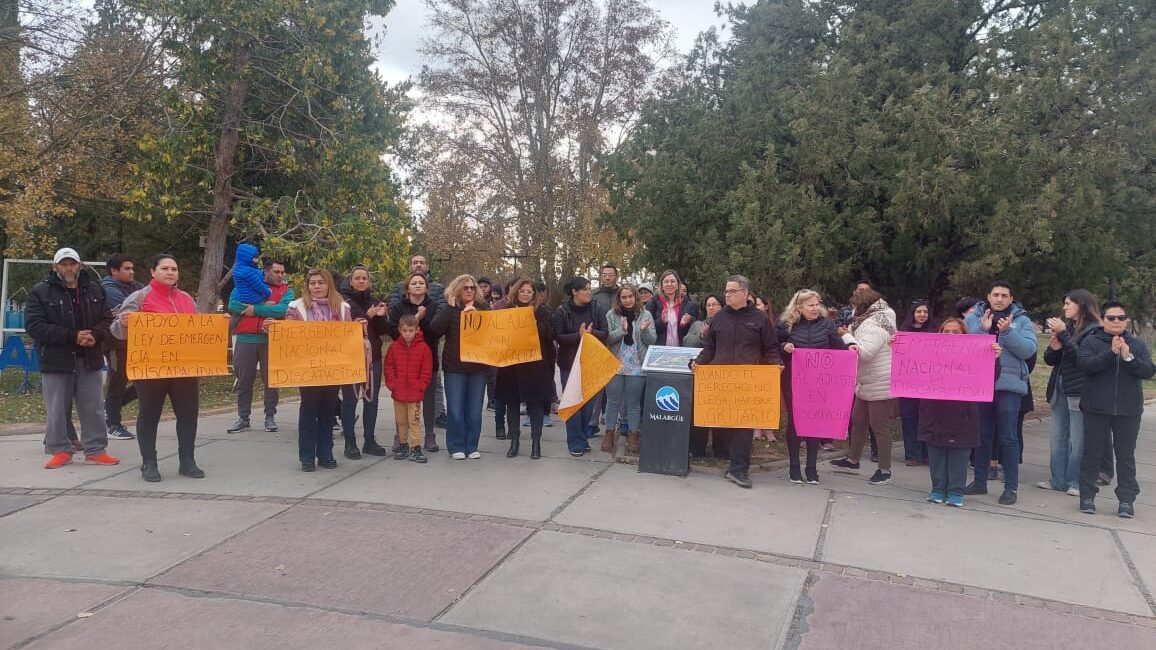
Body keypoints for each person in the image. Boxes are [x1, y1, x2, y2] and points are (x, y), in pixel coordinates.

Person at [111, 254, 202, 481]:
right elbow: (115, 330)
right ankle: (149, 463)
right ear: (153, 272)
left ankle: (187, 461)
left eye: (174, 268)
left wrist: (217, 326)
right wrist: (124, 324)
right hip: (151, 369)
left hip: (184, 370)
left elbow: (200, 328)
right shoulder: (140, 297)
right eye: (165, 268)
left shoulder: (186, 299)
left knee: (188, 414)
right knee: (149, 415)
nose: (170, 272)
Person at [27, 247, 119, 470]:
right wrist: (72, 336)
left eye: (72, 263)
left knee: (94, 407)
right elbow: (34, 326)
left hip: (90, 358)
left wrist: (95, 336)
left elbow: (108, 320)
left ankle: (96, 450)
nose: (68, 268)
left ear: (79, 265)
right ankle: (60, 449)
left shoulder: (94, 289)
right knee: (57, 408)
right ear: (55, 266)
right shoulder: (40, 291)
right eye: (63, 264)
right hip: (56, 361)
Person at [691, 275, 781, 488]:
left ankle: (739, 469)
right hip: (722, 379)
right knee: (724, 420)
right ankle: (725, 456)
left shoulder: (759, 318)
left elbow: (770, 347)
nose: (727, 295)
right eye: (726, 291)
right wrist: (698, 362)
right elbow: (710, 347)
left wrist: (776, 363)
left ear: (744, 293)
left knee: (743, 424)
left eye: (731, 291)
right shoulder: (719, 317)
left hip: (747, 381)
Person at [1076, 302, 1155, 518]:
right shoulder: (1091, 341)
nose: (1117, 321)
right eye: (1111, 318)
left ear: (1126, 321)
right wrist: (1111, 353)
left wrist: (1128, 358)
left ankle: (1127, 500)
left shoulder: (1136, 345)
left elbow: (1149, 370)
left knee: (1126, 457)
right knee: (1092, 454)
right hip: (1096, 408)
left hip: (1128, 411)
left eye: (1121, 318)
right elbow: (1085, 365)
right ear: (1102, 320)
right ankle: (1087, 496)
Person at [963, 281, 1037, 505]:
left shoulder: (1022, 321)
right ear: (988, 296)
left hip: (1008, 386)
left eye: (1004, 295)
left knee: (1008, 437)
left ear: (1011, 298)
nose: (999, 299)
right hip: (981, 385)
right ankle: (979, 481)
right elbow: (963, 347)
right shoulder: (973, 319)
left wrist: (1006, 333)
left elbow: (1028, 350)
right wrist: (983, 331)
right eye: (995, 294)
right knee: (982, 436)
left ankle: (1011, 487)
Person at [920, 318, 999, 507]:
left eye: (956, 332)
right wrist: (896, 349)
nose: (950, 335)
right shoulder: (929, 354)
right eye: (946, 331)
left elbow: (989, 379)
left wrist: (994, 359)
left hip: (962, 414)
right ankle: (938, 489)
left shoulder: (974, 356)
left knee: (958, 455)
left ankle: (956, 491)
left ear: (964, 335)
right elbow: (911, 367)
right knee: (936, 451)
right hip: (934, 412)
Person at [779, 290, 855, 485]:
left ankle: (811, 467)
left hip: (820, 382)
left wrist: (850, 349)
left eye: (817, 304)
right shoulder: (786, 325)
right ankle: (794, 467)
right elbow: (774, 346)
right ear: (799, 307)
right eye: (811, 305)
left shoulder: (827, 324)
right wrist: (784, 347)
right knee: (796, 422)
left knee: (814, 421)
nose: (815, 308)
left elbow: (837, 346)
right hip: (793, 380)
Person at [285, 269, 357, 472]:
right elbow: (287, 333)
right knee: (309, 410)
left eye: (320, 283)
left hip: (333, 368)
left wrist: (358, 329)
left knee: (327, 411)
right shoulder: (296, 307)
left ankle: (326, 453)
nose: (316, 286)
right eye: (312, 283)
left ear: (329, 285)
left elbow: (348, 336)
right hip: (308, 368)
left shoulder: (342, 308)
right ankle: (307, 456)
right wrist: (272, 328)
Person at [830, 286, 897, 485]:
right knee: (858, 420)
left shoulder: (874, 324)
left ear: (863, 305)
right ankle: (853, 459)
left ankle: (885, 470)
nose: (853, 309)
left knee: (879, 426)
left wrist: (846, 336)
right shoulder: (877, 317)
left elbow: (865, 351)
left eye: (855, 305)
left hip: (879, 382)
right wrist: (849, 331)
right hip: (868, 380)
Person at [226, 257, 292, 434]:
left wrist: (254, 309)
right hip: (245, 339)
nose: (280, 276)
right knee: (244, 380)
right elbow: (233, 304)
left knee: (271, 381)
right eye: (276, 272)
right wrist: (264, 305)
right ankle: (243, 418)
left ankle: (270, 416)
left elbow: (283, 310)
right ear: (266, 271)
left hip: (272, 341)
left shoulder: (286, 290)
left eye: (282, 272)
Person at [431, 275, 490, 460]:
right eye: (466, 288)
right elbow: (435, 330)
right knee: (455, 408)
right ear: (457, 289)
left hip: (478, 367)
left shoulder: (483, 308)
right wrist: (449, 308)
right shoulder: (449, 308)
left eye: (473, 287)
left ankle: (472, 445)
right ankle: (456, 445)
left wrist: (479, 317)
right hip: (454, 367)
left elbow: (493, 334)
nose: (470, 290)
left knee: (474, 409)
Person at [496, 277, 556, 459]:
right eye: (522, 291)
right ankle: (514, 441)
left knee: (535, 404)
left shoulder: (542, 311)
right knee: (512, 403)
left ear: (534, 294)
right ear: (516, 292)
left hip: (535, 366)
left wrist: (534, 323)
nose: (525, 294)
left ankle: (536, 443)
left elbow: (550, 335)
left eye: (529, 292)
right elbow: (498, 335)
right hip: (512, 365)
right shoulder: (507, 310)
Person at [387, 254, 447, 427]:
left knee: (432, 387)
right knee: (403, 396)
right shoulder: (398, 293)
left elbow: (437, 325)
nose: (419, 265)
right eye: (415, 262)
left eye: (422, 262)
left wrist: (424, 318)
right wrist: (415, 319)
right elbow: (395, 323)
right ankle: (403, 435)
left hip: (428, 351)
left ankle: (432, 427)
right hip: (403, 354)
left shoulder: (437, 293)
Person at [554, 276, 609, 456]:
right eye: (584, 289)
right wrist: (578, 336)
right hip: (569, 364)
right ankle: (575, 442)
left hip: (591, 362)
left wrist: (590, 335)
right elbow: (558, 337)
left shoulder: (596, 308)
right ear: (574, 292)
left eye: (589, 288)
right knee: (573, 403)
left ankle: (583, 437)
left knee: (588, 405)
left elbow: (605, 333)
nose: (588, 292)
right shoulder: (563, 311)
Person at [339, 266, 389, 458]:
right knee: (350, 401)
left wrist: (382, 316)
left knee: (371, 400)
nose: (361, 281)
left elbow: (384, 331)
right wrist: (367, 316)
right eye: (357, 278)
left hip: (372, 358)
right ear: (351, 281)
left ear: (369, 282)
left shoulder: (376, 301)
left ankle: (369, 440)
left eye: (364, 278)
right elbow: (344, 329)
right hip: (350, 358)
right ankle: (350, 443)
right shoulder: (343, 303)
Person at [604, 284, 656, 456]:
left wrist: (645, 330)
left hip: (637, 366)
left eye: (630, 297)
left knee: (633, 403)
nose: (627, 300)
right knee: (613, 402)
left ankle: (633, 434)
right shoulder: (611, 315)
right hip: (615, 365)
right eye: (624, 297)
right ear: (619, 299)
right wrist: (622, 330)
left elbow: (652, 340)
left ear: (636, 297)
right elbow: (608, 339)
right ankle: (609, 434)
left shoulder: (645, 314)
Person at [100, 253, 144, 440]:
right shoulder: (108, 289)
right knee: (118, 382)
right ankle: (113, 424)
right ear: (114, 270)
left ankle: (107, 409)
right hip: (116, 344)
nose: (131, 272)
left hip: (137, 344)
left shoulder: (137, 287)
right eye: (126, 268)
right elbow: (131, 312)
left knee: (144, 383)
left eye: (132, 268)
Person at [684, 294, 730, 459]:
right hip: (702, 372)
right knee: (700, 410)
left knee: (719, 412)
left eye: (715, 304)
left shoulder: (728, 323)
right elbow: (687, 341)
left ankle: (721, 450)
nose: (711, 308)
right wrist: (702, 336)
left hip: (721, 372)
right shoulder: (697, 324)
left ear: (722, 306)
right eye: (708, 305)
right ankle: (697, 449)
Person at [384, 314, 433, 463]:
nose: (407, 334)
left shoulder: (424, 348)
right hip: (398, 392)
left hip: (415, 394)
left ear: (417, 330)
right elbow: (389, 366)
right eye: (404, 330)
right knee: (401, 421)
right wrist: (393, 384)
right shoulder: (393, 347)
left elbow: (426, 370)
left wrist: (421, 386)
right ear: (399, 330)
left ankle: (416, 447)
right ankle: (403, 445)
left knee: (414, 420)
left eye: (411, 330)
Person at [899, 300, 935, 466]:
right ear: (912, 313)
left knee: (927, 418)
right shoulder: (903, 333)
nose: (922, 315)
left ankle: (927, 454)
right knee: (909, 417)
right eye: (919, 312)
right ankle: (912, 454)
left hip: (929, 383)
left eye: (925, 312)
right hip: (908, 383)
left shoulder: (934, 332)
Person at [646, 269, 698, 349]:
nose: (669, 284)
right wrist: (661, 321)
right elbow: (648, 330)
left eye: (672, 281)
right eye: (666, 282)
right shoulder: (652, 304)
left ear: (678, 285)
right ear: (662, 286)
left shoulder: (689, 304)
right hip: (660, 350)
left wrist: (688, 322)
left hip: (682, 350)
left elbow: (695, 329)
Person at [752, 293, 779, 444]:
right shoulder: (750, 321)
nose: (755, 308)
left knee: (768, 398)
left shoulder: (775, 323)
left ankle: (768, 428)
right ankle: (757, 428)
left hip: (769, 364)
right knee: (756, 398)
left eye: (758, 304)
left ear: (766, 306)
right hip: (755, 363)